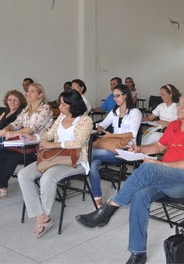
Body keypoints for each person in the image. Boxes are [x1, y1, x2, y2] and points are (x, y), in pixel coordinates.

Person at [76, 92, 184, 264]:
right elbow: (158, 146)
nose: (179, 107)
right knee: (140, 196)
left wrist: (161, 166)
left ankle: (107, 210)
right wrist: (140, 149)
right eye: (179, 104)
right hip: (165, 178)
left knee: (150, 167)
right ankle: (138, 253)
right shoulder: (174, 126)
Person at [17, 89, 93, 238]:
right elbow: (49, 135)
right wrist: (34, 137)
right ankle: (41, 215)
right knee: (24, 174)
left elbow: (79, 142)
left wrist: (55, 145)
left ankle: (44, 217)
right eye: (60, 103)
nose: (60, 107)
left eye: (64, 104)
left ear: (74, 104)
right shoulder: (61, 117)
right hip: (55, 157)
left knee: (48, 177)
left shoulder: (85, 120)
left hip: (75, 161)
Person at [89, 84, 142, 207]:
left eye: (118, 96)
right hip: (111, 146)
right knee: (92, 164)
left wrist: (110, 136)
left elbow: (132, 134)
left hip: (126, 149)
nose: (115, 98)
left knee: (90, 153)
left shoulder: (135, 112)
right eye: (114, 96)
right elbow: (103, 124)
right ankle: (98, 198)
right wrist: (101, 128)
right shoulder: (115, 112)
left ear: (126, 95)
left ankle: (77, 160)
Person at [0, 83, 53, 198]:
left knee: (12, 156)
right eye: (27, 91)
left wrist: (13, 133)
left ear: (40, 95)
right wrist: (6, 129)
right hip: (24, 144)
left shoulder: (46, 108)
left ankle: (2, 186)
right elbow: (15, 123)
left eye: (32, 91)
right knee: (2, 152)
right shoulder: (26, 110)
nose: (28, 93)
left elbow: (34, 128)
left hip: (38, 146)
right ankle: (2, 185)